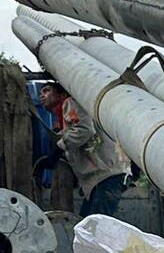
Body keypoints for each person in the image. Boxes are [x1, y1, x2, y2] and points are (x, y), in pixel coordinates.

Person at [39, 81, 130, 217]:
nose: (42, 95)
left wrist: (58, 148)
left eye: (47, 90)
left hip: (106, 176)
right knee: (88, 225)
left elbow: (84, 130)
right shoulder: (64, 120)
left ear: (62, 94)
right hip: (100, 179)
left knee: (94, 227)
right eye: (41, 93)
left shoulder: (69, 103)